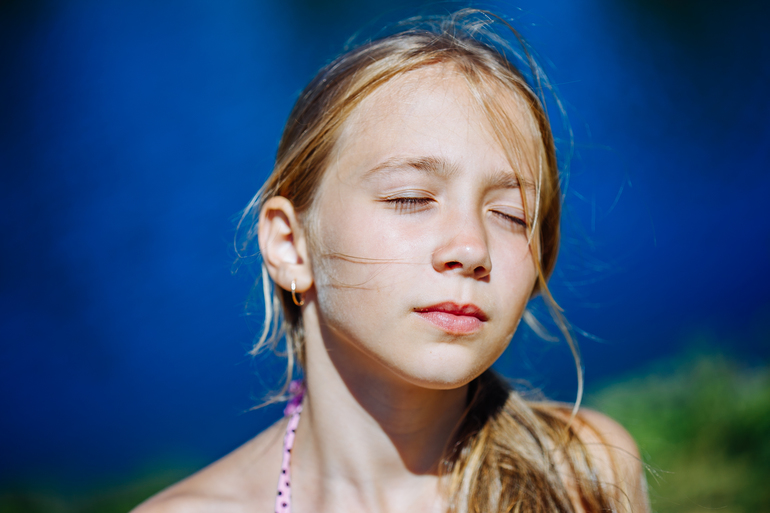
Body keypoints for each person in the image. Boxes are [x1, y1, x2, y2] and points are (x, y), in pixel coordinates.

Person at [133, 9, 650, 513]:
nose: (472, 249)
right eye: (410, 198)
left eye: (511, 215)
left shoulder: (585, 478)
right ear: (291, 246)